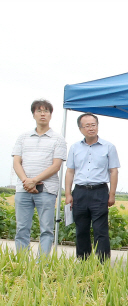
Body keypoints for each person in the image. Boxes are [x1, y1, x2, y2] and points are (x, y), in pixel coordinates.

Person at [12, 99, 66, 256]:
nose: (43, 114)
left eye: (46, 111)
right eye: (39, 111)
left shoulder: (58, 138)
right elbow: (16, 162)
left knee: (46, 229)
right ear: (33, 114)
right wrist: (26, 181)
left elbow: (56, 165)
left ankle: (42, 263)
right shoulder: (23, 137)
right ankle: (22, 261)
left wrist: (34, 180)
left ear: (51, 115)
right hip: (23, 189)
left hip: (47, 189)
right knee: (22, 227)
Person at [64, 113, 119, 261]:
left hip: (99, 191)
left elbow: (113, 171)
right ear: (81, 129)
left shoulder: (108, 147)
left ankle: (102, 263)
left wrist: (112, 194)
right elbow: (70, 171)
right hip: (80, 192)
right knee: (81, 229)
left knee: (100, 230)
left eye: (93, 125)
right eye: (87, 126)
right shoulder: (75, 147)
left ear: (97, 126)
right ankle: (83, 261)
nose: (91, 128)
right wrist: (68, 194)